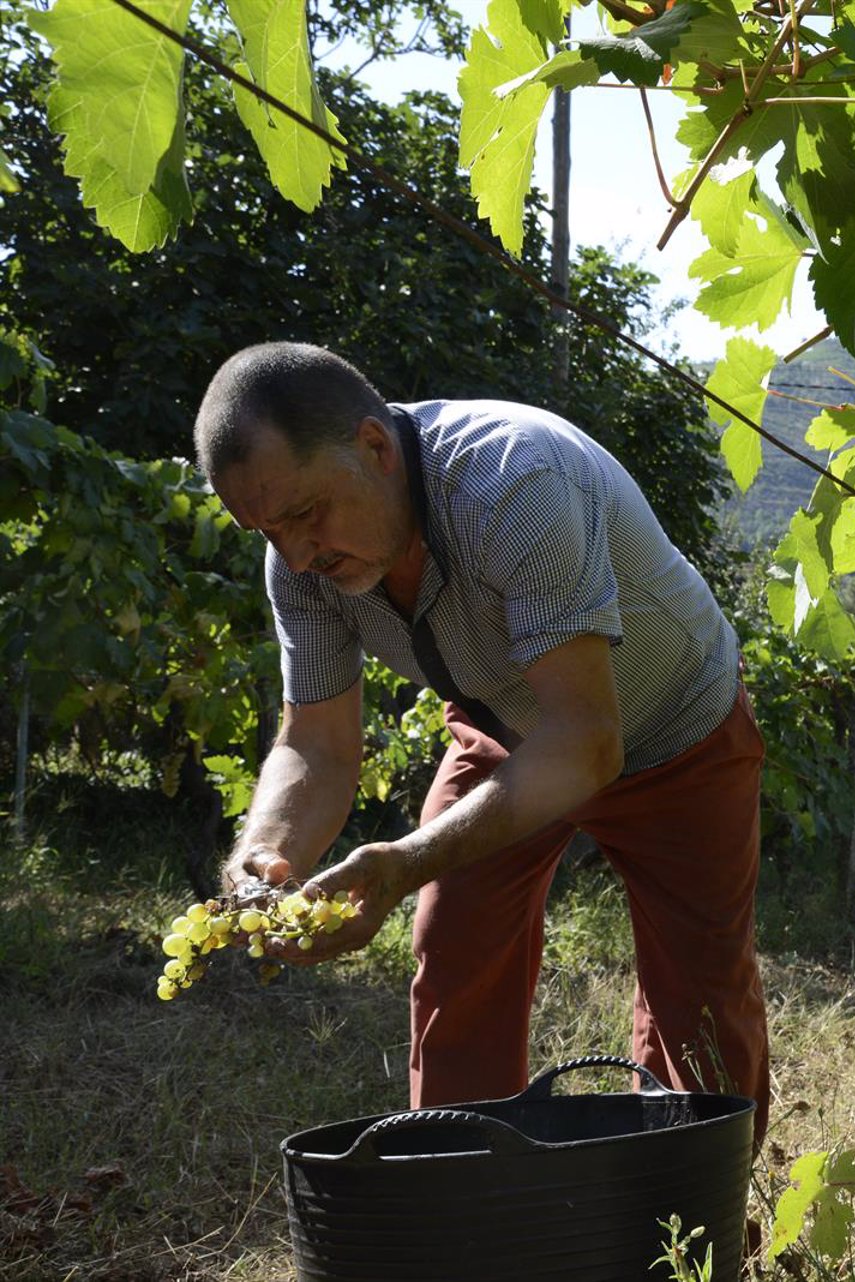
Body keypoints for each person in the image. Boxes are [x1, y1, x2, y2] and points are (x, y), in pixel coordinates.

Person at [193, 342, 770, 1140]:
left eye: (304, 515)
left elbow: (585, 744)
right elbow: (317, 744)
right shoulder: (299, 563)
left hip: (677, 730)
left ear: (374, 447)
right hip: (511, 728)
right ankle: (461, 1194)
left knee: (698, 1000)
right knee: (455, 945)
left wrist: (409, 858)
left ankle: (692, 1229)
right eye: (267, 530)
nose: (297, 555)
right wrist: (262, 853)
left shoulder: (514, 482)